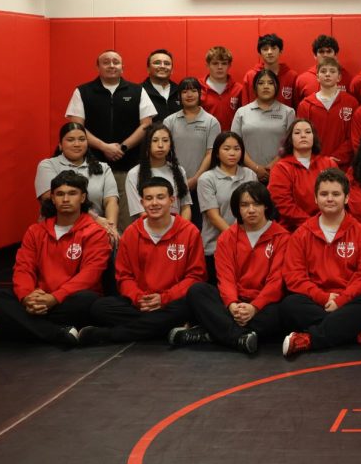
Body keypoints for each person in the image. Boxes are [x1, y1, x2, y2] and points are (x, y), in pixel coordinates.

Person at [0, 171, 110, 346]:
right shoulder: (35, 231)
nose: (65, 199)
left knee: (88, 301)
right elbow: (23, 268)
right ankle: (57, 333)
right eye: (60, 194)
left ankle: (10, 328)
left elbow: (90, 275)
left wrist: (54, 298)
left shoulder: (95, 232)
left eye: (72, 193)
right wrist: (27, 297)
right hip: (38, 298)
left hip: (69, 300)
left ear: (82, 198)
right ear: (52, 198)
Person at [80, 177, 205, 344]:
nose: (154, 203)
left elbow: (196, 276)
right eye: (148, 198)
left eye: (160, 197)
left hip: (172, 302)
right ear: (142, 202)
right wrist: (139, 299)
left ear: (171, 200)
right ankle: (165, 327)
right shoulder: (131, 233)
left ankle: (111, 336)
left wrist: (164, 299)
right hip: (140, 303)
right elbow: (124, 277)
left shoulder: (189, 231)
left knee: (191, 306)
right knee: (100, 308)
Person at [177, 181, 290, 354]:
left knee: (287, 309)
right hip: (234, 303)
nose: (251, 210)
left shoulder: (282, 237)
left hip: (263, 304)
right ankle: (240, 337)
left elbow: (276, 282)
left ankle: (213, 333)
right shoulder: (227, 237)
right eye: (244, 205)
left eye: (256, 204)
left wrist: (254, 307)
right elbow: (225, 277)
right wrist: (232, 305)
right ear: (237, 209)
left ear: (266, 206)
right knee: (197, 291)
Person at [280, 169, 361, 357]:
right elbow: (294, 277)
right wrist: (324, 298)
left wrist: (341, 300)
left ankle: (308, 340)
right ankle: (353, 332)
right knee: (289, 305)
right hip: (316, 302)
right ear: (315, 198)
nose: (329, 199)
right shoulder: (302, 233)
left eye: (336, 194)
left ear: (346, 198)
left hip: (349, 301)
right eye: (324, 194)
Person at [66, 49, 156, 215]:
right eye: (106, 62)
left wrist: (122, 148)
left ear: (122, 68)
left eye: (116, 62)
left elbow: (146, 125)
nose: (111, 65)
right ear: (98, 67)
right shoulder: (83, 91)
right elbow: (77, 127)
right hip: (92, 166)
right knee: (92, 215)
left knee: (126, 217)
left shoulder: (137, 91)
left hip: (128, 166)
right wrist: (104, 147)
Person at [34, 122, 120, 242]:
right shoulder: (48, 165)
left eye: (81, 139)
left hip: (95, 231)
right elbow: (51, 198)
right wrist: (95, 219)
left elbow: (111, 201)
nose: (77, 144)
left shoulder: (103, 168)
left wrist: (111, 228)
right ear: (60, 145)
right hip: (57, 231)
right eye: (70, 140)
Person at [196, 132, 258, 278]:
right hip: (215, 247)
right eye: (226, 148)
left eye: (237, 148)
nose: (232, 153)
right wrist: (238, 239)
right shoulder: (207, 179)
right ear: (217, 153)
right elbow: (213, 217)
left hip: (249, 247)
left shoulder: (250, 175)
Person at [267, 119, 338, 231]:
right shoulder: (280, 168)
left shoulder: (329, 163)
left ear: (314, 137)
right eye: (297, 132)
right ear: (290, 139)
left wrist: (324, 223)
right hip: (292, 230)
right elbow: (283, 205)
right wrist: (313, 224)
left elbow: (338, 197)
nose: (303, 135)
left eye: (308, 132)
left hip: (328, 226)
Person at [294, 55, 360, 169]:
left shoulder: (351, 103)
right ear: (317, 77)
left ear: (339, 77)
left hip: (342, 166)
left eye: (332, 71)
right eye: (323, 71)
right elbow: (302, 137)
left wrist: (336, 158)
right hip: (313, 165)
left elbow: (354, 136)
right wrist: (319, 160)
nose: (327, 74)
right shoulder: (306, 105)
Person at [231, 69, 296, 182]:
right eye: (261, 83)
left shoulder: (288, 112)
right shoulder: (242, 112)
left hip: (279, 173)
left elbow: (289, 145)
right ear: (255, 87)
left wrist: (272, 166)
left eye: (270, 83)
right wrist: (255, 168)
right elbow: (235, 145)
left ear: (277, 87)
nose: (266, 86)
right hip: (247, 175)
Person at [124, 122, 192, 225]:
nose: (160, 145)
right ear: (147, 144)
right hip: (149, 230)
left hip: (177, 230)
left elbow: (185, 207)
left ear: (170, 144)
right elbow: (141, 213)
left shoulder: (178, 170)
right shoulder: (134, 174)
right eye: (155, 141)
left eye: (165, 140)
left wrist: (180, 230)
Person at [162, 77, 221, 193]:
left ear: (200, 94)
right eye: (184, 92)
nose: (189, 95)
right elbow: (165, 152)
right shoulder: (169, 121)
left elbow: (211, 154)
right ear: (179, 96)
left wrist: (196, 179)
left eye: (193, 91)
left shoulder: (211, 122)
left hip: (203, 183)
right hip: (173, 182)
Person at [241, 33, 297, 108]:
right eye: (265, 49)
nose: (270, 52)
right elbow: (245, 107)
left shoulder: (292, 76)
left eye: (273, 48)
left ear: (280, 51)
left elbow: (296, 107)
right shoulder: (250, 76)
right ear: (260, 53)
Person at [198, 45, 244, 132]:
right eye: (215, 63)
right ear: (207, 65)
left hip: (230, 140)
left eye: (224, 63)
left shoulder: (238, 89)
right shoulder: (197, 87)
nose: (219, 67)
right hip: (204, 139)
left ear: (229, 65)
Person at [295, 34, 350, 102]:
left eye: (329, 51)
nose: (325, 55)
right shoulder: (302, 80)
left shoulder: (347, 77)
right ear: (315, 55)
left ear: (335, 55)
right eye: (321, 51)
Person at [141, 48, 180, 122]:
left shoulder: (180, 91)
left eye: (167, 63)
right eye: (157, 63)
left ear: (172, 70)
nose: (162, 66)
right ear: (148, 69)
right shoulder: (138, 92)